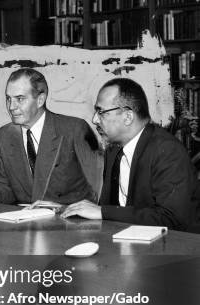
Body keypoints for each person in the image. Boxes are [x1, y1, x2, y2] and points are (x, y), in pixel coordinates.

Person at [62, 78, 197, 230]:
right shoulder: (113, 149)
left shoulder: (168, 151)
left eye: (101, 112)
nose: (94, 120)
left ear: (128, 117)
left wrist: (103, 212)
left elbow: (172, 218)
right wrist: (63, 209)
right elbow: (113, 209)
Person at [0, 68, 101, 205]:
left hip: (72, 220)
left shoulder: (74, 129)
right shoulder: (3, 136)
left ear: (40, 100)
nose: (11, 107)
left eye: (20, 99)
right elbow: (5, 185)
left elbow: (97, 189)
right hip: (26, 220)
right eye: (8, 98)